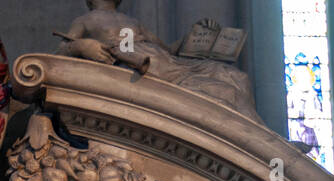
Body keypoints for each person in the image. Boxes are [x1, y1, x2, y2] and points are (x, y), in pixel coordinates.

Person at [57, 1, 261, 120]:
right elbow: (60, 54)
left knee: (235, 76)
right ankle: (256, 146)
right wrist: (80, 46)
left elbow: (167, 49)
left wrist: (197, 36)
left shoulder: (132, 21)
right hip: (143, 66)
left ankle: (263, 144)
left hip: (168, 62)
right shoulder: (85, 20)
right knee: (226, 91)